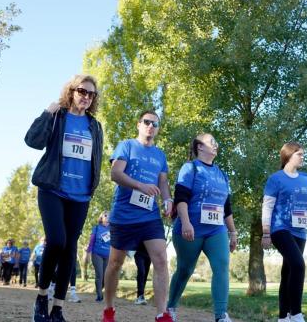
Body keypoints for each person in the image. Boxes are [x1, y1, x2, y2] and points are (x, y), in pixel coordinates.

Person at [25, 74, 104, 322]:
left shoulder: (94, 126)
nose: (86, 97)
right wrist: (48, 112)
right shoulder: (58, 117)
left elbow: (96, 158)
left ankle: (57, 308)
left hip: (80, 196)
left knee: (70, 248)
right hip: (53, 189)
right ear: (71, 91)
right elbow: (33, 141)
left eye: (91, 94)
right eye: (82, 91)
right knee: (57, 240)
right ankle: (41, 298)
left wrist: (92, 186)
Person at [102, 110, 174, 322]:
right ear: (138, 124)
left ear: (158, 129)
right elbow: (115, 174)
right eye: (147, 122)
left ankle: (162, 314)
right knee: (115, 263)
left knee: (161, 259)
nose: (150, 126)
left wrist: (167, 200)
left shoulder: (160, 155)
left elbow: (162, 183)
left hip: (150, 217)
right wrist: (141, 186)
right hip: (124, 215)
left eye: (155, 124)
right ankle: (108, 309)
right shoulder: (126, 146)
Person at [167, 133, 238, 322]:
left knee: (222, 265)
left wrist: (232, 232)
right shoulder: (190, 168)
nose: (216, 145)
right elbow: (180, 198)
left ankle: (221, 315)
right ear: (199, 147)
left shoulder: (222, 174)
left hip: (216, 229)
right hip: (191, 228)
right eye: (211, 142)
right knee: (184, 269)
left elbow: (226, 207)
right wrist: (186, 222)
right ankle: (170, 308)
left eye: (216, 142)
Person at [262, 142, 307, 322]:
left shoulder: (306, 179)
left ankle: (283, 317)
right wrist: (266, 232)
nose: (302, 157)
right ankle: (296, 313)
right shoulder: (276, 179)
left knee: (288, 271)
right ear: (288, 156)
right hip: (280, 228)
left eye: (302, 154)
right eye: (299, 154)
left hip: (300, 230)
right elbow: (267, 206)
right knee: (299, 265)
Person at [86, 211, 111, 302]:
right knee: (99, 274)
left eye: (109, 215)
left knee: (105, 276)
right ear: (101, 217)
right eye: (105, 215)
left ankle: (100, 288)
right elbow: (91, 241)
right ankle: (99, 295)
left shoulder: (113, 229)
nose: (107, 217)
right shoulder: (96, 228)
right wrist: (88, 253)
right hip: (97, 254)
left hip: (108, 255)